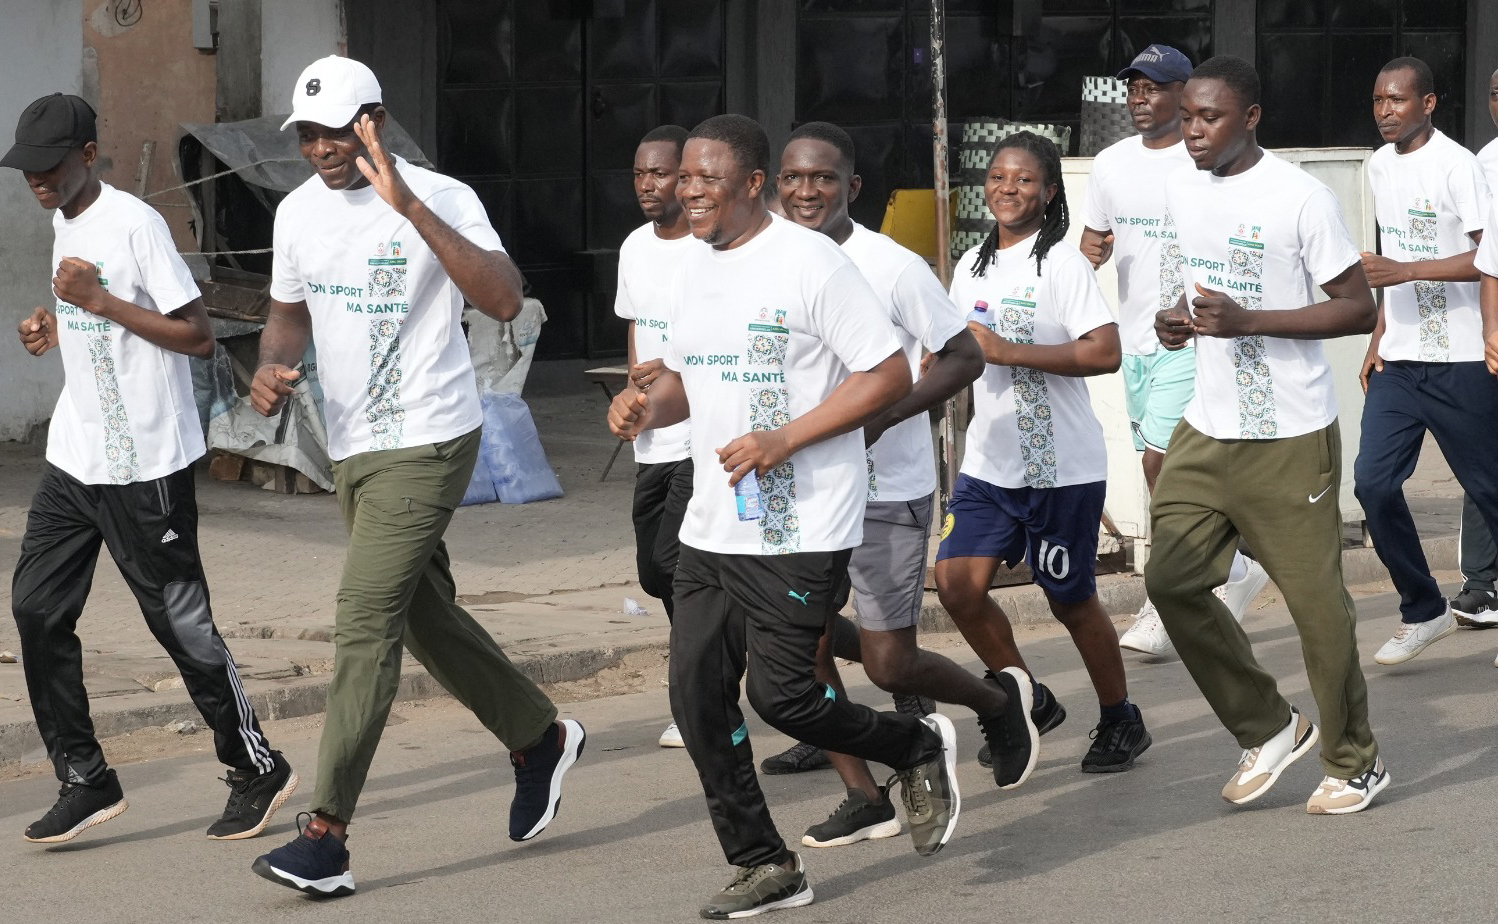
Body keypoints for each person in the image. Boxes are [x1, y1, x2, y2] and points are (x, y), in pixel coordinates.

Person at [608, 114, 963, 919]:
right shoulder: (691, 269)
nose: (687, 191)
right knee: (696, 698)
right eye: (684, 178)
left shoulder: (812, 263)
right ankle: (767, 864)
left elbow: (886, 375)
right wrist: (643, 405)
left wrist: (786, 438)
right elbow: (687, 380)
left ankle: (914, 744)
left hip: (803, 524)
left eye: (705, 179)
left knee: (786, 700)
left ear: (753, 184)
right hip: (712, 521)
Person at [247, 56, 583, 898]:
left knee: (364, 619)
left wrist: (408, 206)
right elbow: (287, 317)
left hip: (431, 437)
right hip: (352, 445)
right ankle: (539, 737)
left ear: (379, 120)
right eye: (310, 135)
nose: (323, 148)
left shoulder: (444, 197)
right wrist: (271, 368)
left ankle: (325, 836)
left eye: (339, 130)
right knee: (419, 612)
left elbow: (504, 300)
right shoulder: (295, 214)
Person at [5, 93, 297, 845]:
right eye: (26, 171)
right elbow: (88, 317)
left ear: (89, 156)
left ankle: (255, 766)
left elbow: (196, 336)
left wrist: (96, 300)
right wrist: (56, 323)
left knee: (181, 627)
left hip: (145, 465)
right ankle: (84, 777)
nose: (36, 181)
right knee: (37, 609)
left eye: (49, 168)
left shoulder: (137, 225)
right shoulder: (61, 218)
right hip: (78, 455)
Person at [763, 121, 1038, 849]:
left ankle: (998, 704)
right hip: (805, 489)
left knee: (889, 664)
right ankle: (863, 795)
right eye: (793, 177)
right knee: (807, 651)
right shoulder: (767, 260)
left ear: (851, 187)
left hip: (889, 489)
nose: (805, 191)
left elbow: (962, 358)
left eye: (823, 178)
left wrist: (888, 412)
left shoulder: (892, 267)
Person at [1147, 55, 1387, 814]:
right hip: (1207, 428)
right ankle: (1270, 724)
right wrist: (1175, 323)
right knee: (1170, 583)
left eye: (1208, 118)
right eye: (1186, 116)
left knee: (1319, 611)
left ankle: (1355, 762)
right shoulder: (1180, 184)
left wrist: (1252, 322)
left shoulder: (1301, 198)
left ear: (1249, 118)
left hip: (1289, 437)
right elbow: (1188, 281)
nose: (1191, 131)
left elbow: (1357, 309)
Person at [937, 130, 1153, 776]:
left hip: (1062, 471)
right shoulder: (971, 265)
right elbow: (953, 352)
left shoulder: (1060, 263)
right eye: (1000, 177)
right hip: (989, 463)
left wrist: (1008, 351)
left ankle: (1120, 717)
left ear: (1049, 192)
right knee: (957, 586)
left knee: (1069, 599)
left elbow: (1103, 351)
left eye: (1026, 180)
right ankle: (1026, 699)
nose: (1010, 189)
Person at [1081, 45, 1269, 658]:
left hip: (1191, 337)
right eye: (1134, 87)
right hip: (1135, 339)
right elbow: (1095, 239)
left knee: (1163, 464)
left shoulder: (1206, 164)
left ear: (1187, 95)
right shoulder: (1109, 165)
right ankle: (1233, 566)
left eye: (1155, 87)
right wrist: (1088, 258)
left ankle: (1175, 592)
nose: (1141, 97)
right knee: (1155, 465)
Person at [1356, 56, 1498, 665]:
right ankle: (1424, 607)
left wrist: (1409, 270)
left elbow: (1487, 257)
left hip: (1463, 357)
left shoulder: (1459, 166)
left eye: (1398, 100)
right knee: (1372, 483)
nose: (1386, 111)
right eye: (1379, 101)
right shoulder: (1377, 166)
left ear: (1429, 103)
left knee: (1489, 489)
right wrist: (1378, 334)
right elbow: (1391, 255)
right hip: (1401, 359)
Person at [615, 124, 696, 747]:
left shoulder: (709, 246)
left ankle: (699, 697)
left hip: (705, 434)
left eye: (660, 173)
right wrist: (632, 396)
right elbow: (639, 330)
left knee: (676, 563)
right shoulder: (635, 247)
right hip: (654, 437)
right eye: (641, 172)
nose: (649, 184)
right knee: (653, 572)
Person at [1451, 64, 1498, 628]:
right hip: (1485, 339)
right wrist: (1489, 330)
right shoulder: (1482, 164)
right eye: (1493, 93)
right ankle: (1481, 585)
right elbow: (1487, 263)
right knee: (1483, 460)